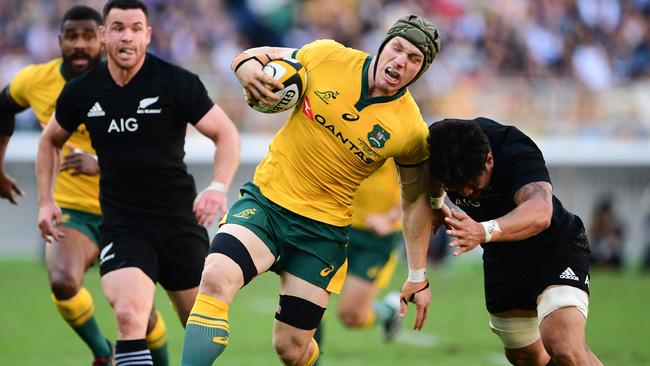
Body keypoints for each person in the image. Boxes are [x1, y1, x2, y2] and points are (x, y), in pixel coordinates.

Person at [181, 14, 443, 366]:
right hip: (268, 204)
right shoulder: (326, 56)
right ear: (383, 45)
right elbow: (257, 56)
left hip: (322, 234)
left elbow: (414, 201)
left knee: (291, 349)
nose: (401, 61)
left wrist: (417, 276)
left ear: (420, 71)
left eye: (414, 59)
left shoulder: (411, 131)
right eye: (397, 49)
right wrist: (243, 67)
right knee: (215, 277)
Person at [35, 1, 240, 365]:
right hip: (123, 225)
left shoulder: (176, 82)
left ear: (147, 35)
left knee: (203, 330)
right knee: (130, 316)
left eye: (134, 28)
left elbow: (225, 133)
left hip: (179, 222)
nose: (126, 36)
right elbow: (50, 141)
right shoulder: (83, 91)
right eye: (117, 28)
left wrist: (218, 187)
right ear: (103, 36)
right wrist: (46, 201)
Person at [0, 5, 171, 366]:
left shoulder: (132, 81)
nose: (80, 44)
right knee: (62, 281)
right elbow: (4, 107)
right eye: (72, 36)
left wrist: (104, 164)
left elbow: (160, 148)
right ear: (59, 40)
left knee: (140, 315)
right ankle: (101, 352)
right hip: (74, 212)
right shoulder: (36, 80)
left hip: (125, 213)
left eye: (89, 36)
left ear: (104, 39)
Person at [427, 117, 602, 366]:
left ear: (490, 159)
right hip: (502, 254)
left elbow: (541, 212)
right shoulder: (441, 145)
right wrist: (436, 204)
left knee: (563, 345)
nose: (466, 193)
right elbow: (427, 169)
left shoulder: (516, 151)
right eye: (456, 186)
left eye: (472, 185)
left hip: (553, 246)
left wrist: (483, 230)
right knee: (525, 355)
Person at [588, 196, 624, 269]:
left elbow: (616, 246)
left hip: (610, 256)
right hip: (597, 256)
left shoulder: (615, 226)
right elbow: (592, 245)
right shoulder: (595, 225)